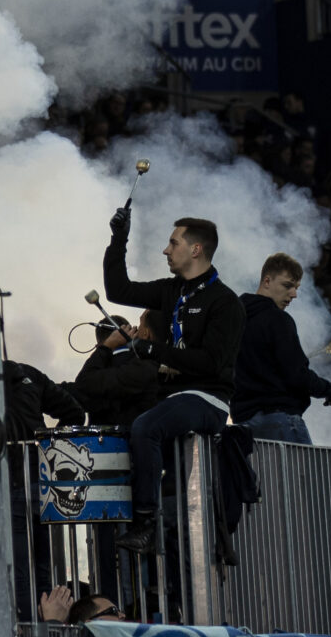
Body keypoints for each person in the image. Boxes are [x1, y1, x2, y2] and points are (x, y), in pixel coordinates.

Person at [102, 214, 245, 554]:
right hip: (173, 397)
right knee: (126, 432)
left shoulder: (226, 303)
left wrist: (153, 349)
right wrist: (118, 239)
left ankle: (146, 524)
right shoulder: (171, 291)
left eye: (173, 243)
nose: (165, 250)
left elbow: (210, 363)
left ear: (196, 249)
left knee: (146, 427)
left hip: (208, 399)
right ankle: (142, 533)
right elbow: (117, 290)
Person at [231, 254, 331, 445]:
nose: (294, 294)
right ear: (267, 281)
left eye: (296, 288)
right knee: (303, 476)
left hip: (243, 425)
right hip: (280, 420)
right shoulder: (278, 319)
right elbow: (297, 375)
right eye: (287, 286)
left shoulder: (234, 319)